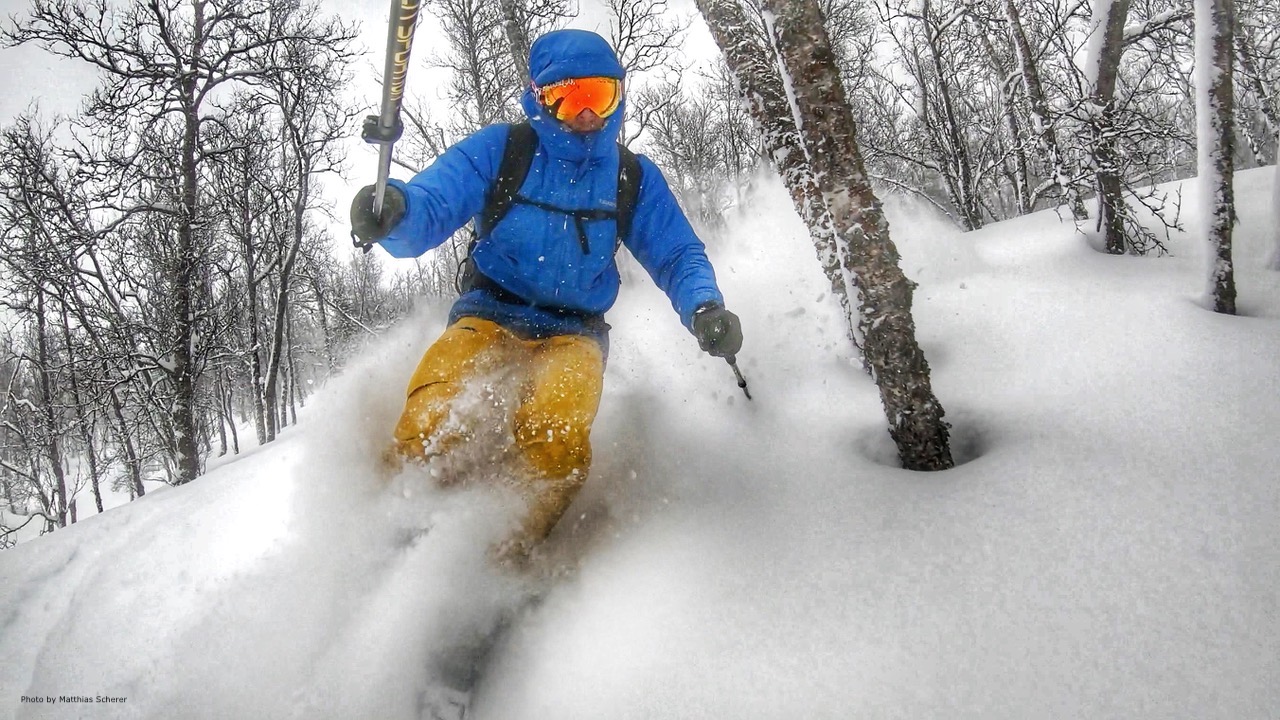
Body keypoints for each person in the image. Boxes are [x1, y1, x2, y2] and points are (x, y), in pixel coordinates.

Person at [350, 29, 742, 561]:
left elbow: (676, 254)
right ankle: (389, 538)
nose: (586, 115)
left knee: (556, 435)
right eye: (569, 97)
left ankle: (501, 560)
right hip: (489, 313)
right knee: (434, 411)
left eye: (600, 96)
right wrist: (394, 210)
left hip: (573, 333)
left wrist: (704, 306)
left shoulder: (630, 177)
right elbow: (431, 206)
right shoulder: (504, 150)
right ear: (540, 99)